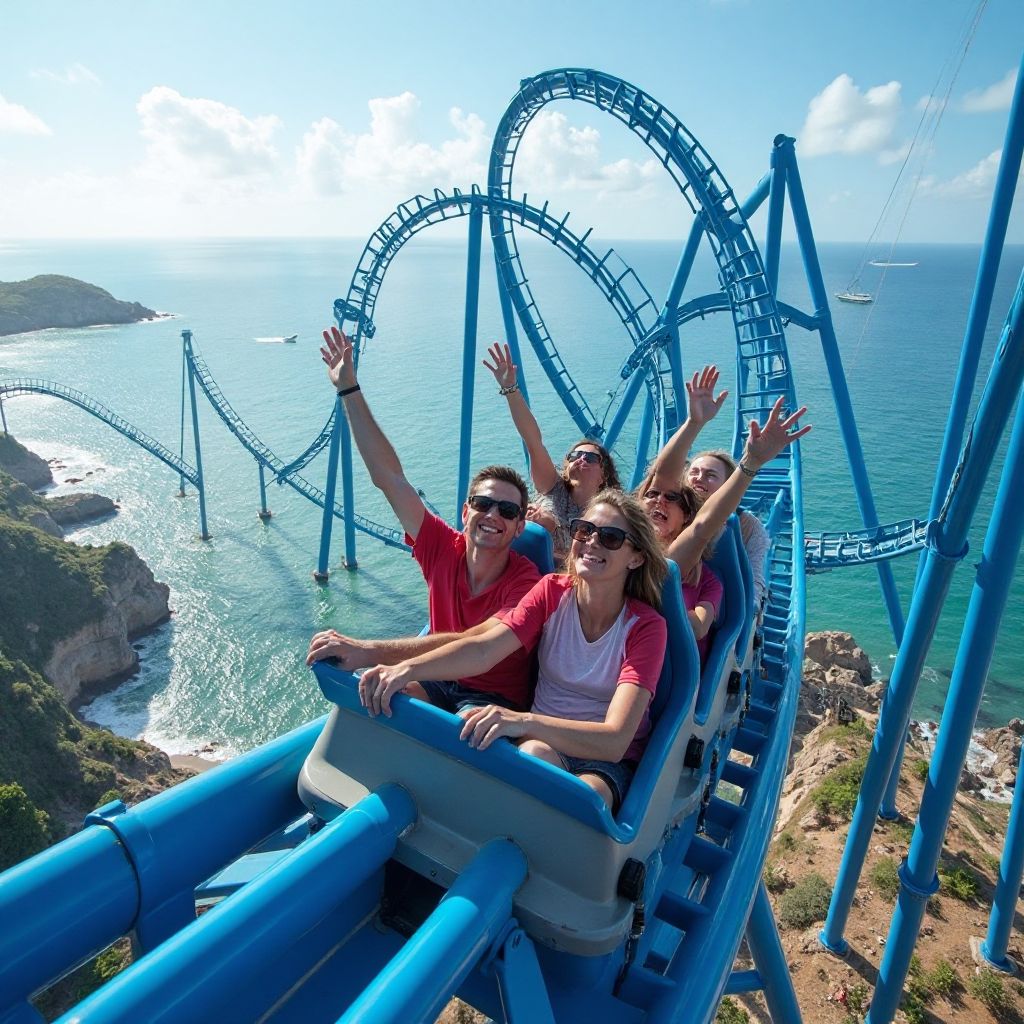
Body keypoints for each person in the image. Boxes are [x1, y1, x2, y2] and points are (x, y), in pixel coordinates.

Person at [358, 490, 668, 813]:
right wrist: (407, 669)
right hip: (543, 743)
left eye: (610, 537)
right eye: (584, 530)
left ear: (636, 557)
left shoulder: (646, 628)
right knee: (535, 761)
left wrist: (521, 721)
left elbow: (615, 741)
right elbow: (483, 650)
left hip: (601, 758)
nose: (592, 542)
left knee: (587, 801)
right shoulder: (552, 591)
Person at [306, 326, 540, 714]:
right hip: (435, 681)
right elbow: (390, 479)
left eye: (508, 510)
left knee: (462, 726)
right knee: (381, 696)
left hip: (490, 702)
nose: (492, 515)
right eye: (483, 503)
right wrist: (348, 388)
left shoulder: (527, 582)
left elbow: (477, 645)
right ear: (466, 512)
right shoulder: (442, 548)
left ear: (519, 527)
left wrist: (368, 650)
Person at [643, 364, 771, 606]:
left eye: (710, 475)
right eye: (694, 472)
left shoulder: (744, 526)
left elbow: (705, 527)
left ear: (727, 485)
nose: (699, 478)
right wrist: (694, 422)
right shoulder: (664, 509)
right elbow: (662, 474)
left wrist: (752, 610)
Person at [482, 342, 621, 563]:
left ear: (604, 474)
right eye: (575, 456)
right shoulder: (552, 487)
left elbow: (601, 562)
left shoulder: (607, 512)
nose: (581, 458)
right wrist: (511, 389)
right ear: (567, 465)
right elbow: (533, 440)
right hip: (521, 572)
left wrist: (550, 529)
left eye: (591, 457)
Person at [638, 479, 721, 666]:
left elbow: (699, 628)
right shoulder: (622, 557)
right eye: (651, 494)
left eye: (672, 497)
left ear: (686, 517)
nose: (659, 500)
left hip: (673, 667)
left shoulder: (708, 581)